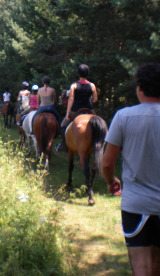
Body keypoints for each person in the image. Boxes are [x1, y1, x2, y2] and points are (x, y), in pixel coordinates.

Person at [102, 63, 160, 276]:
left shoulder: (124, 116)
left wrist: (111, 181)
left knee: (142, 268)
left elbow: (107, 163)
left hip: (136, 205)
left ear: (139, 88)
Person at [56, 64, 98, 151]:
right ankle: (99, 143)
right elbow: (95, 99)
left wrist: (68, 113)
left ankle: (64, 146)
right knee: (98, 124)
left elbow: (71, 99)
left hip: (76, 109)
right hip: (89, 109)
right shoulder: (92, 85)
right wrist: (89, 101)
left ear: (78, 74)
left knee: (63, 125)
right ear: (87, 74)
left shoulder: (74, 85)